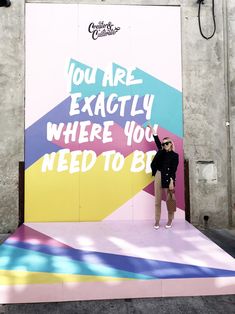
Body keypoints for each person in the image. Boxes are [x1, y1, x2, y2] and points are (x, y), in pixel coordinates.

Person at [148, 125, 179, 229]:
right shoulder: (161, 151)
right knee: (157, 200)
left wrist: (172, 181)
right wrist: (153, 131)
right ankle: (157, 221)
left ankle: (170, 220)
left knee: (170, 200)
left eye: (166, 143)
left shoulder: (175, 156)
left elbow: (174, 170)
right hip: (158, 175)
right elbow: (157, 141)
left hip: (168, 177)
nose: (164, 145)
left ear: (171, 144)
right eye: (163, 143)